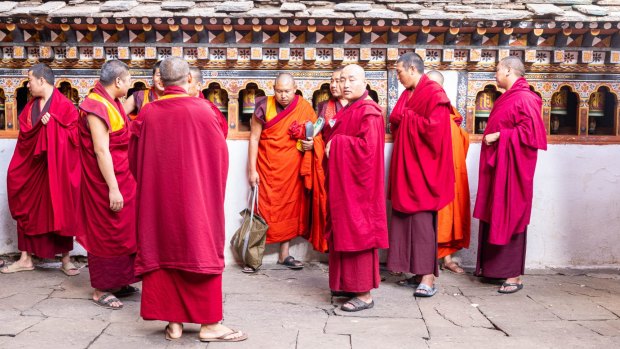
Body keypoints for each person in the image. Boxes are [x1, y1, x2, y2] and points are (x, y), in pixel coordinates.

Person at [129, 57, 247, 342]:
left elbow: (133, 160)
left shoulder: (147, 113)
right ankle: (209, 325)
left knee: (164, 249)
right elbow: (220, 159)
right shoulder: (205, 111)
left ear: (160, 81)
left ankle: (174, 323)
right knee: (199, 250)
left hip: (159, 203)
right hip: (196, 200)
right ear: (190, 80)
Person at [474, 56, 547, 294]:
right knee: (495, 213)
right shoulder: (508, 97)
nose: (495, 75)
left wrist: (500, 136)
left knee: (512, 214)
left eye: (497, 70)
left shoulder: (525, 98)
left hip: (513, 172)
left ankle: (514, 276)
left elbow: (531, 134)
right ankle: (497, 270)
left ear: (507, 70)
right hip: (499, 169)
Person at [386, 53, 455, 298]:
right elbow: (394, 118)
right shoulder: (408, 94)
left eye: (399, 71)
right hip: (407, 167)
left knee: (424, 223)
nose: (397, 76)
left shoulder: (434, 93)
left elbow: (435, 131)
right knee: (406, 221)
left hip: (425, 171)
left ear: (412, 68)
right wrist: (405, 116)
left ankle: (428, 277)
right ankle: (415, 273)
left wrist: (407, 117)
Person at [2, 63, 81, 276]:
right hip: (34, 169)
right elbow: (26, 138)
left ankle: (66, 259)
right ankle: (25, 258)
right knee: (27, 207)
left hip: (57, 169)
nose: (28, 85)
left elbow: (75, 138)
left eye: (30, 80)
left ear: (42, 80)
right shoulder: (30, 108)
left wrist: (54, 125)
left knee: (61, 208)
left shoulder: (65, 106)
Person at [247, 73, 327, 272]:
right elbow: (254, 138)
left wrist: (311, 143)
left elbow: (316, 135)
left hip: (292, 169)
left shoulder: (304, 107)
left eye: (287, 91)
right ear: (273, 89)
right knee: (262, 208)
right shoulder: (264, 106)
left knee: (290, 209)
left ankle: (284, 254)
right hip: (267, 166)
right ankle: (253, 256)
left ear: (295, 88)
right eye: (279, 91)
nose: (283, 95)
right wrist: (251, 169)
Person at [325, 64, 388, 311]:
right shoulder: (349, 109)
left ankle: (364, 295)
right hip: (346, 186)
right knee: (345, 232)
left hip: (361, 190)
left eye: (352, 80)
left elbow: (369, 151)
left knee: (358, 234)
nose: (346, 85)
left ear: (365, 83)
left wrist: (338, 143)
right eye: (343, 80)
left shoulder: (369, 112)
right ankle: (349, 286)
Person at [77, 60, 138, 310]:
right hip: (104, 181)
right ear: (118, 82)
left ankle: (119, 280)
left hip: (123, 174)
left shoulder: (112, 103)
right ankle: (101, 288)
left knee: (124, 229)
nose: (130, 84)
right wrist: (113, 187)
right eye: (129, 79)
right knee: (106, 231)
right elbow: (101, 150)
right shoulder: (95, 106)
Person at [426, 70, 471, 275]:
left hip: (450, 172)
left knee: (449, 212)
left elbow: (460, 139)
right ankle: (425, 260)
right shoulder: (420, 107)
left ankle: (447, 258)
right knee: (427, 217)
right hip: (429, 173)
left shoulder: (450, 112)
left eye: (437, 86)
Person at [317, 68, 348, 140]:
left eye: (337, 81)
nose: (333, 85)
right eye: (331, 81)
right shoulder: (324, 106)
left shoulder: (357, 105)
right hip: (328, 149)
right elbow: (318, 134)